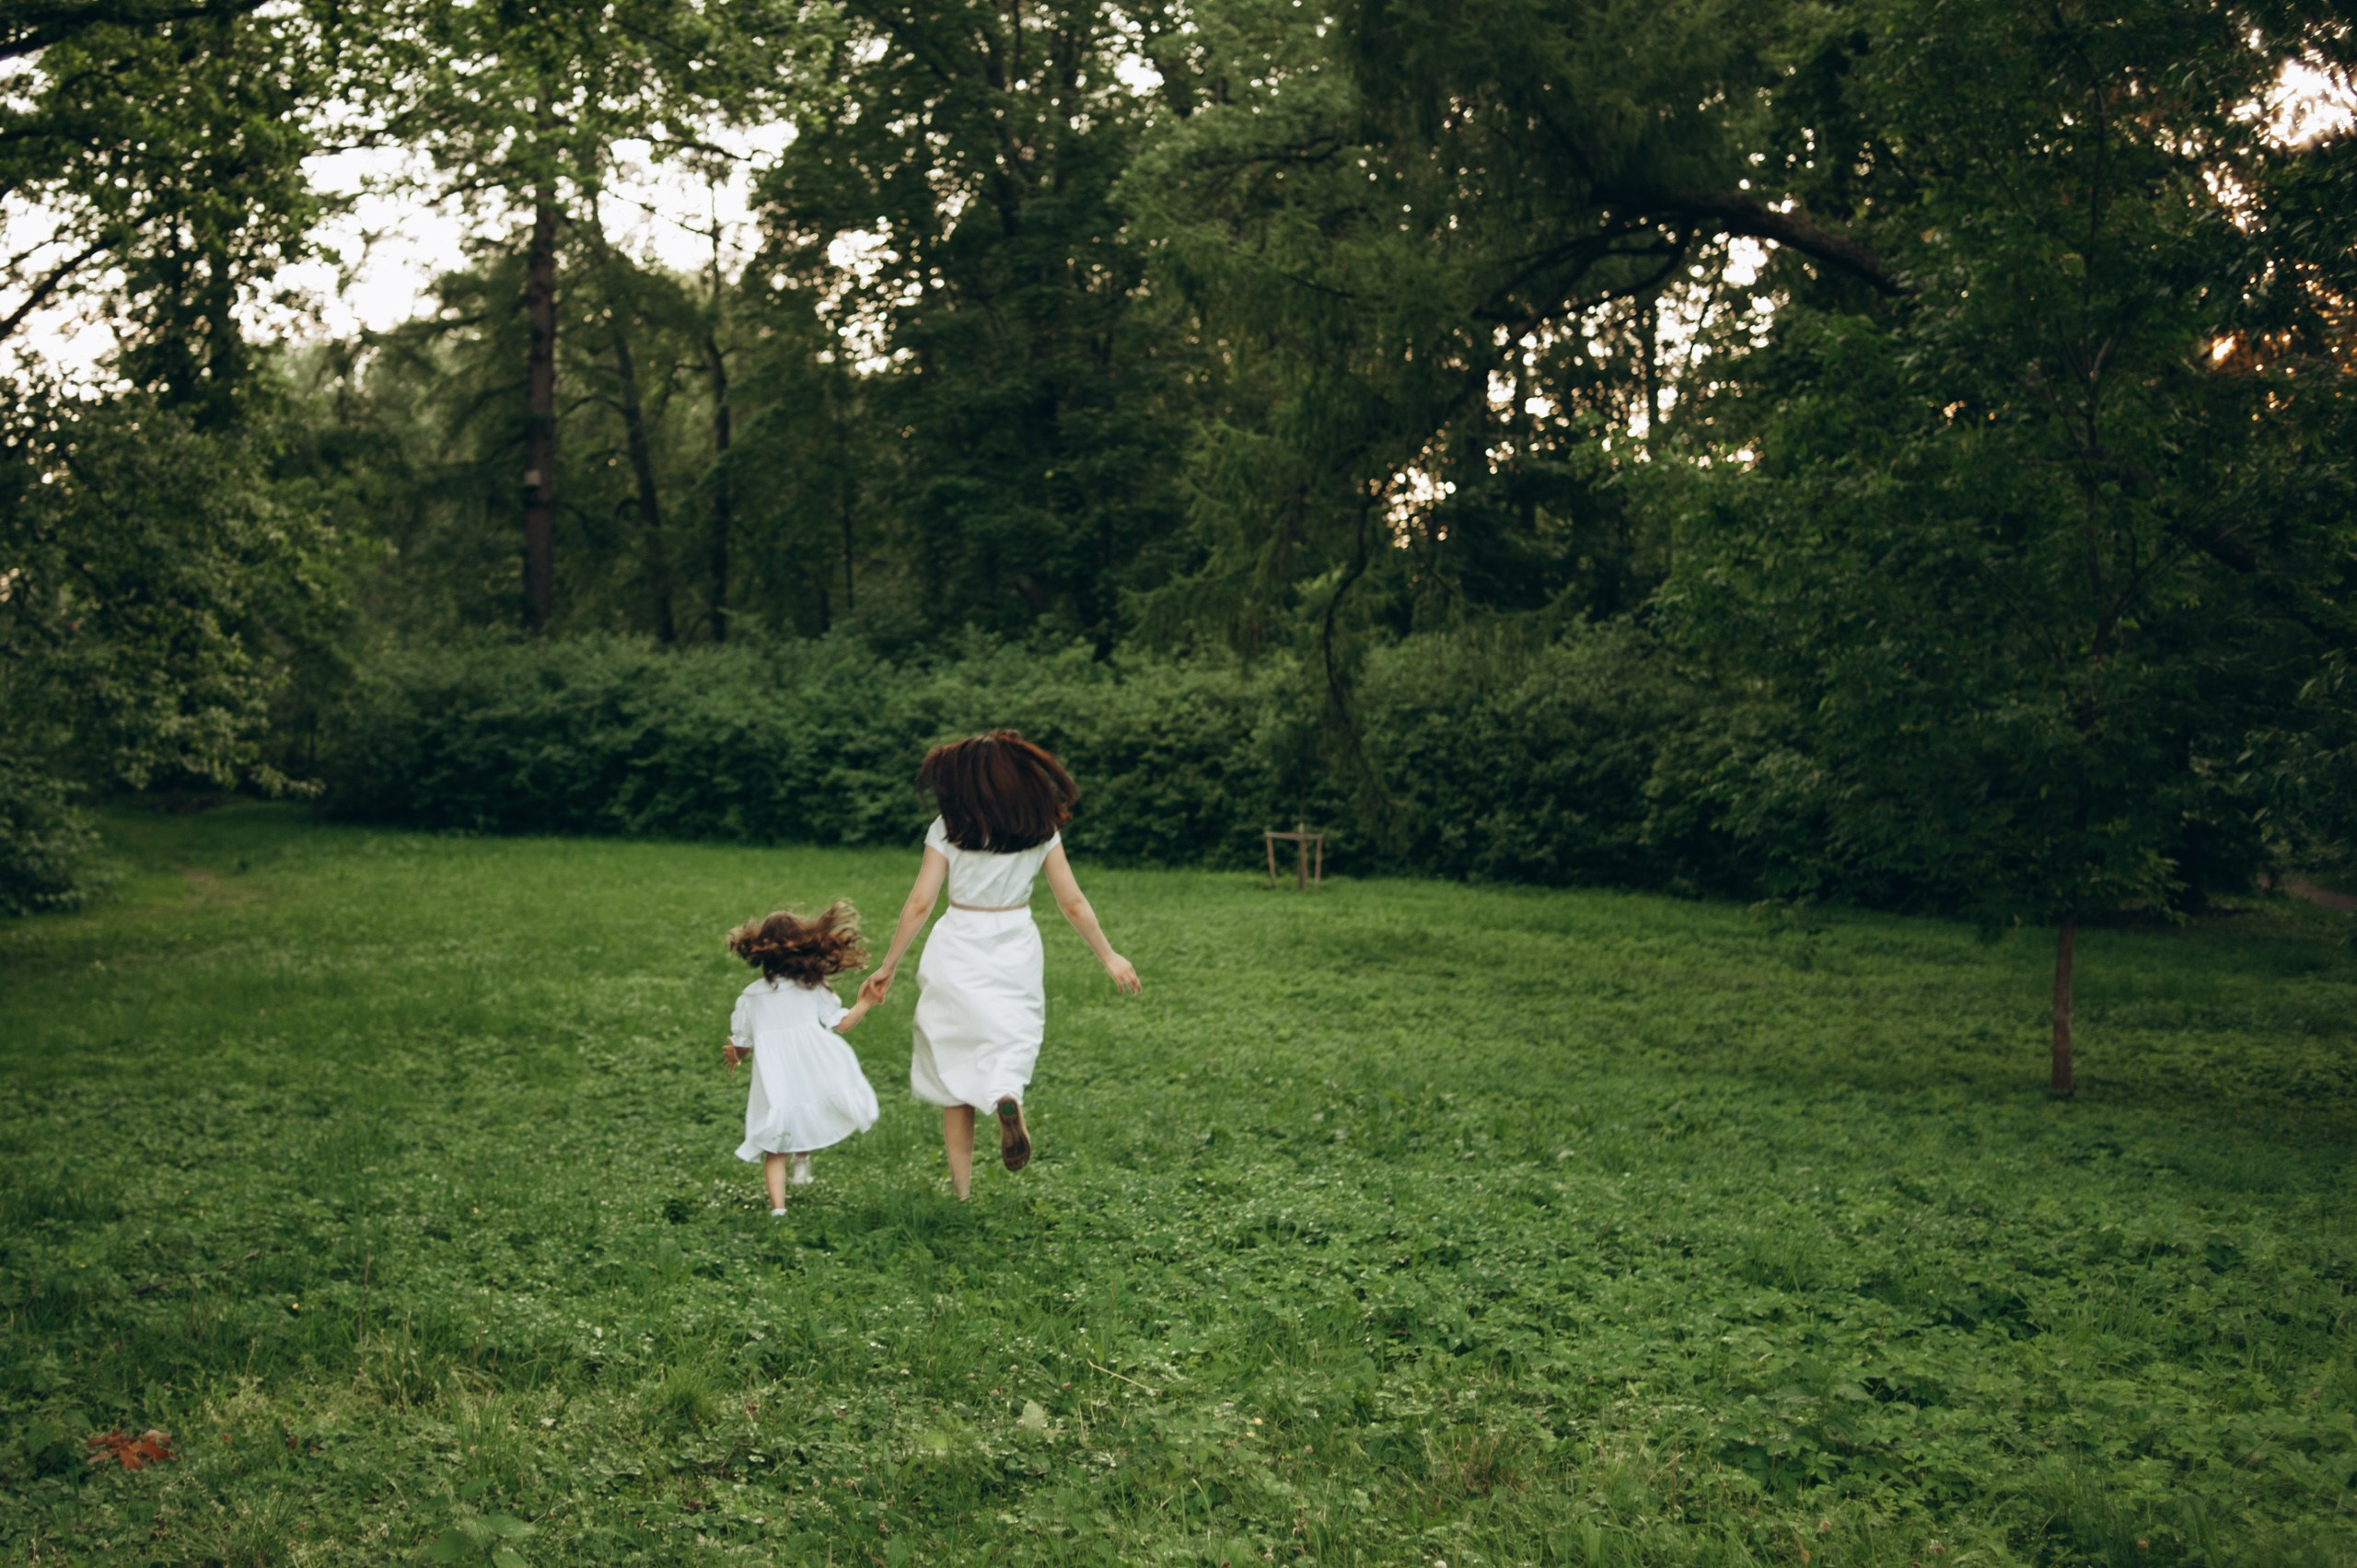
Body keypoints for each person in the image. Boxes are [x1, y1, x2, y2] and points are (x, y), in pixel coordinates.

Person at [860, 731, 1141, 1200]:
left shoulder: (948, 829)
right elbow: (1071, 902)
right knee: (1012, 1036)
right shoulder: (1041, 829)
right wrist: (1109, 955)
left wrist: (889, 964)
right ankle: (1006, 1096)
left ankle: (963, 1193)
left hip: (958, 943)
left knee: (953, 1066)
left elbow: (919, 903)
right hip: (1015, 943)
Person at [722, 903, 880, 1214]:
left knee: (777, 1137)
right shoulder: (812, 987)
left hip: (774, 1076)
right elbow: (842, 1024)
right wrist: (866, 1002)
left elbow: (743, 1043)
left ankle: (778, 1210)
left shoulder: (750, 998)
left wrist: (734, 1054)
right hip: (812, 1063)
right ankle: (803, 1159)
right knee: (805, 1103)